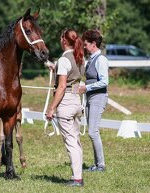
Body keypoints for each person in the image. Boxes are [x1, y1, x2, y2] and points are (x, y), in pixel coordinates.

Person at [46, 29, 85, 187]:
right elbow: (73, 77)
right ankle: (78, 175)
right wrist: (54, 68)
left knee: (71, 142)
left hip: (66, 102)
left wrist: (51, 108)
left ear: (63, 40)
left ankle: (77, 179)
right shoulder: (80, 57)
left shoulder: (64, 59)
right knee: (75, 140)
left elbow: (61, 86)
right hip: (76, 100)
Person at [79, 29, 109, 172]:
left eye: (86, 44)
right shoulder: (90, 60)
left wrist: (87, 87)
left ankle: (101, 165)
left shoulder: (101, 60)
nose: (84, 47)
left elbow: (104, 82)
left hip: (98, 97)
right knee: (92, 131)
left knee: (92, 132)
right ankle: (97, 164)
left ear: (93, 44)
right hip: (90, 96)